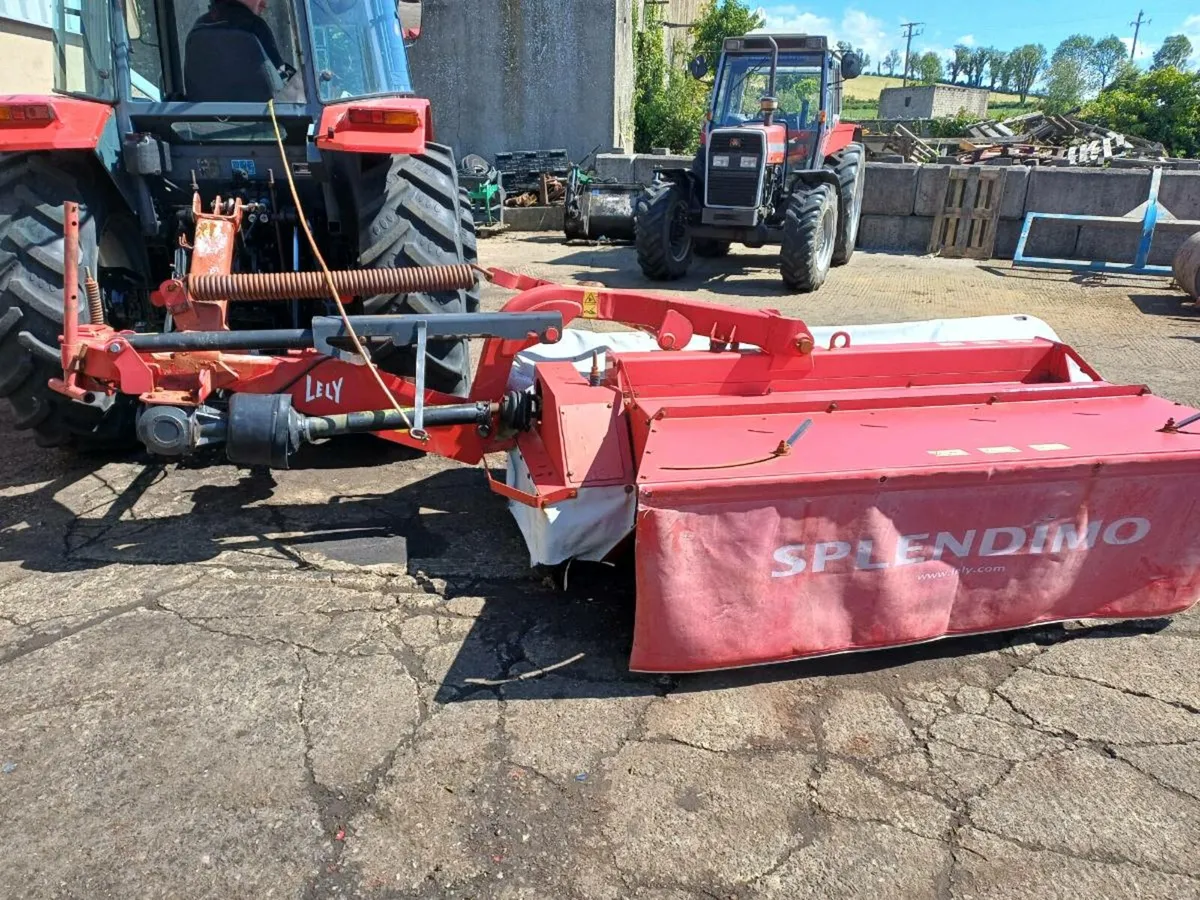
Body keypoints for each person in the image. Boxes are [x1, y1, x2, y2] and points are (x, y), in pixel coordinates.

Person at [189, 0, 304, 100]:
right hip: (264, 120)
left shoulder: (199, 26)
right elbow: (280, 79)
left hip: (205, 121)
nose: (264, 3)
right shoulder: (254, 26)